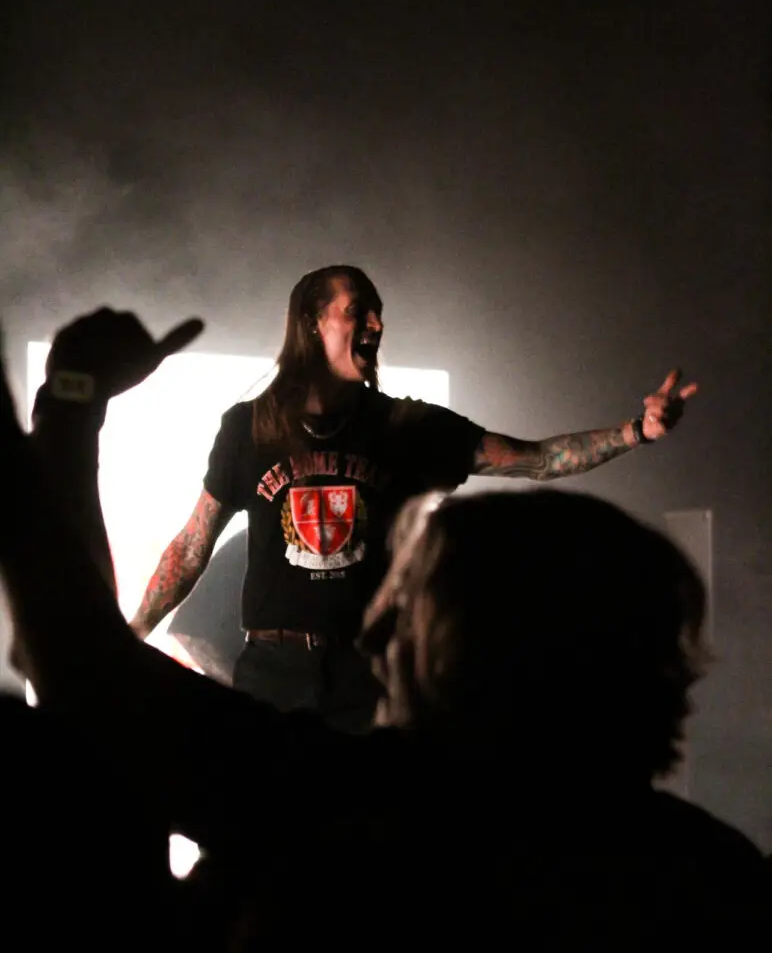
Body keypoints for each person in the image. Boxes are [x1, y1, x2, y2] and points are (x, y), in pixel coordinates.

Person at [0, 310, 766, 949]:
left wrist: (72, 404)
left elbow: (81, 664)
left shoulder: (345, 805)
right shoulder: (714, 878)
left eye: (404, 613)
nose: (372, 640)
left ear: (471, 652)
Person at [127, 265, 697, 731]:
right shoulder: (249, 428)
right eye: (358, 310)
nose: (376, 324)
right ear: (312, 324)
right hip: (272, 674)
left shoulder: (407, 428)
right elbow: (192, 546)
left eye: (378, 312)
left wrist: (636, 431)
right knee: (266, 828)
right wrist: (129, 637)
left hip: (368, 676)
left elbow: (539, 459)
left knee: (372, 828)